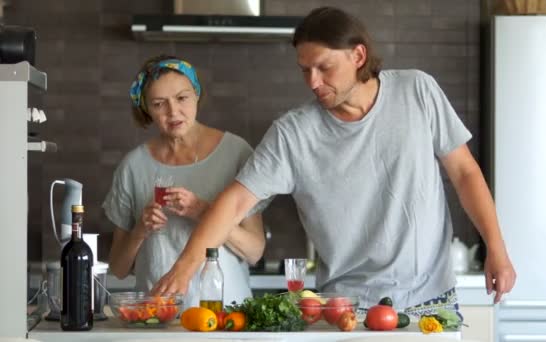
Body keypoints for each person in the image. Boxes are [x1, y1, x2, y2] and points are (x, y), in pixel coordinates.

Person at [152, 7, 516, 314]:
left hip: (431, 302)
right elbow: (234, 204)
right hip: (345, 309)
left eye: (323, 68)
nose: (312, 81)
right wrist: (185, 266)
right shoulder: (293, 133)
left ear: (358, 56)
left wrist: (496, 248)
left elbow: (465, 172)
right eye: (304, 69)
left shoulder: (417, 91)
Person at [103, 55, 265, 309]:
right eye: (159, 104)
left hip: (227, 318)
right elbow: (118, 268)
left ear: (196, 93)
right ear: (146, 108)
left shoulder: (236, 153)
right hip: (156, 318)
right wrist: (140, 232)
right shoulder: (133, 166)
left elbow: (255, 251)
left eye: (182, 98)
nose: (173, 112)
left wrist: (203, 211)